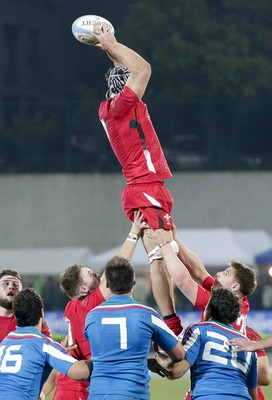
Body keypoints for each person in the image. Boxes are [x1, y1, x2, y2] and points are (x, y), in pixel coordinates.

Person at [93, 26, 182, 335]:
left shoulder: (114, 109)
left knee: (166, 255)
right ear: (121, 86)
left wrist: (109, 50)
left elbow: (132, 71)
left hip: (145, 187)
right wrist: (112, 44)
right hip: (144, 188)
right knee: (167, 256)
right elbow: (143, 68)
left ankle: (177, 316)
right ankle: (185, 317)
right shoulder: (120, 108)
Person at [146, 227, 270, 399]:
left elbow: (183, 280)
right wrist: (175, 237)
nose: (217, 274)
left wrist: (165, 244)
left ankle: (166, 352)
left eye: (225, 273)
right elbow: (198, 271)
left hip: (212, 386)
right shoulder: (239, 301)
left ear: (234, 287)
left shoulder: (213, 305)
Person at [43, 211, 147, 400]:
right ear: (83, 288)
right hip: (79, 389)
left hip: (67, 387)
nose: (97, 275)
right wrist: (134, 233)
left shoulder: (72, 307)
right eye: (90, 273)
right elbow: (117, 268)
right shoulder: (89, 305)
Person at [84, 254, 185, 400]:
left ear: (106, 284)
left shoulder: (92, 316)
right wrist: (155, 357)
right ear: (134, 282)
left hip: (98, 393)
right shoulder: (147, 314)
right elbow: (179, 354)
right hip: (132, 393)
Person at [155, 288, 258, 400]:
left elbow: (176, 372)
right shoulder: (248, 345)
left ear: (209, 308)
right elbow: (253, 394)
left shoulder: (199, 330)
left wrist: (158, 358)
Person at [0, 288, 92, 400]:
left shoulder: (4, 343)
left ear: (15, 315)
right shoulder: (44, 345)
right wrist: (108, 353)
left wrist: (59, 354)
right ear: (41, 313)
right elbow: (81, 372)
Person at [0, 269, 51, 341]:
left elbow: (46, 348)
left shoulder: (31, 320)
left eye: (15, 285)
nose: (11, 287)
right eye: (6, 284)